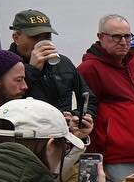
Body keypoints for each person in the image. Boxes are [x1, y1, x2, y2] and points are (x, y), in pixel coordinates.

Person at [77, 13, 134, 182]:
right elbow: (86, 116)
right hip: (119, 157)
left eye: (127, 36)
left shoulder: (133, 63)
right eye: (116, 37)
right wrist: (94, 159)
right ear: (101, 37)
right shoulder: (90, 69)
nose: (123, 41)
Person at [8, 10, 95, 141]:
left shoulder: (63, 62)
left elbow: (89, 99)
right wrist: (32, 70)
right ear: (16, 38)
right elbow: (7, 105)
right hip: (28, 142)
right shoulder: (6, 65)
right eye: (35, 37)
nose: (42, 42)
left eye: (47, 37)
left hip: (65, 139)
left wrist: (76, 116)